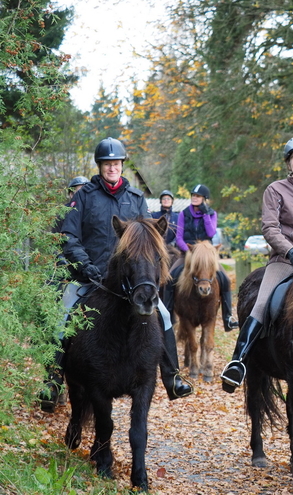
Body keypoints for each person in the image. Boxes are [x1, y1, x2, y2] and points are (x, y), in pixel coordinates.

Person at [39, 137, 193, 412]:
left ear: (122, 166)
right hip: (90, 276)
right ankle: (53, 379)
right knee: (63, 314)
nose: (112, 168)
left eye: (117, 163)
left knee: (165, 315)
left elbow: (150, 237)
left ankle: (173, 377)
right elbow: (68, 236)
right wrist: (85, 265)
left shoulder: (135, 198)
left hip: (129, 279)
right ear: (100, 166)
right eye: (107, 164)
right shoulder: (83, 196)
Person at [220, 136, 293, 393]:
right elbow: (270, 228)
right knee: (262, 302)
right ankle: (238, 361)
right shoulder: (276, 189)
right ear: (288, 163)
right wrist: (290, 252)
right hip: (286, 261)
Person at [161, 184, 236, 333]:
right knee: (170, 278)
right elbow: (179, 237)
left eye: (198, 196)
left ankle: (228, 317)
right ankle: (167, 316)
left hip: (207, 256)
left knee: (225, 280)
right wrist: (190, 251)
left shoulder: (212, 214)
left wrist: (206, 215)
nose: (194, 198)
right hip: (187, 254)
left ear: (204, 199)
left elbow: (211, 232)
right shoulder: (183, 213)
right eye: (193, 195)